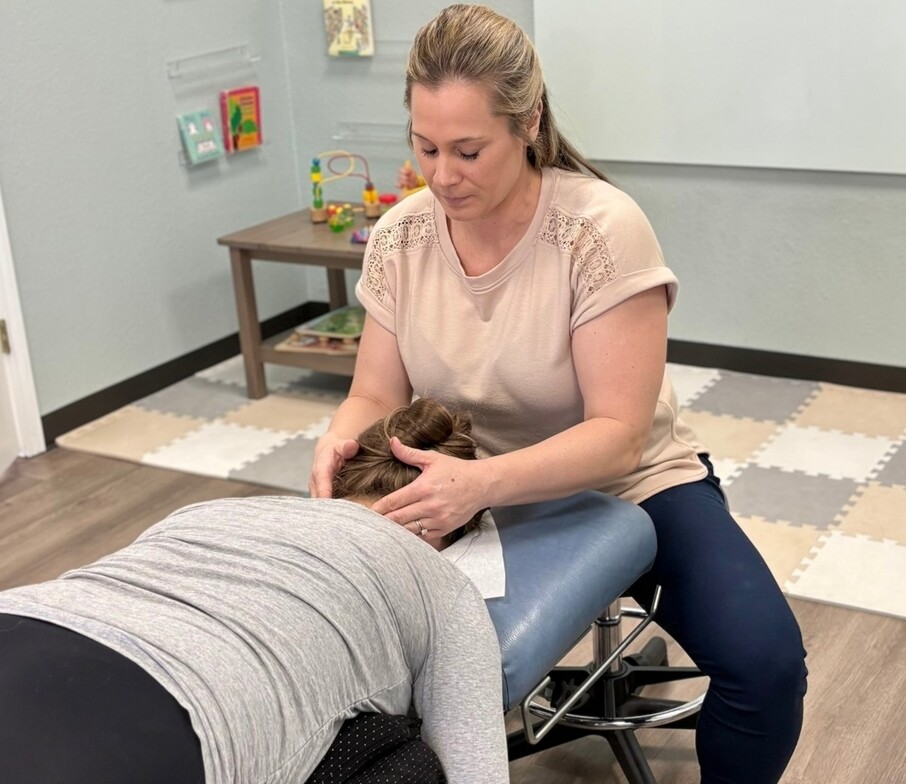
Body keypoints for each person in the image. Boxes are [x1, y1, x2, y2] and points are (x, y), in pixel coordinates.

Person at [309, 5, 808, 783]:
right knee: (345, 658)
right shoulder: (403, 235)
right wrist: (342, 441)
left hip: (625, 485)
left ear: (529, 121)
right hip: (456, 493)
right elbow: (372, 392)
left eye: (469, 150)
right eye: (425, 147)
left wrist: (480, 486)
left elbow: (617, 432)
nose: (443, 175)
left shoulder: (599, 231)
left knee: (766, 664)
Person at [0, 398, 508, 784]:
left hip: (31, 614)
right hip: (179, 708)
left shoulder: (207, 511)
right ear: (447, 527)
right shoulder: (440, 582)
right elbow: (474, 769)